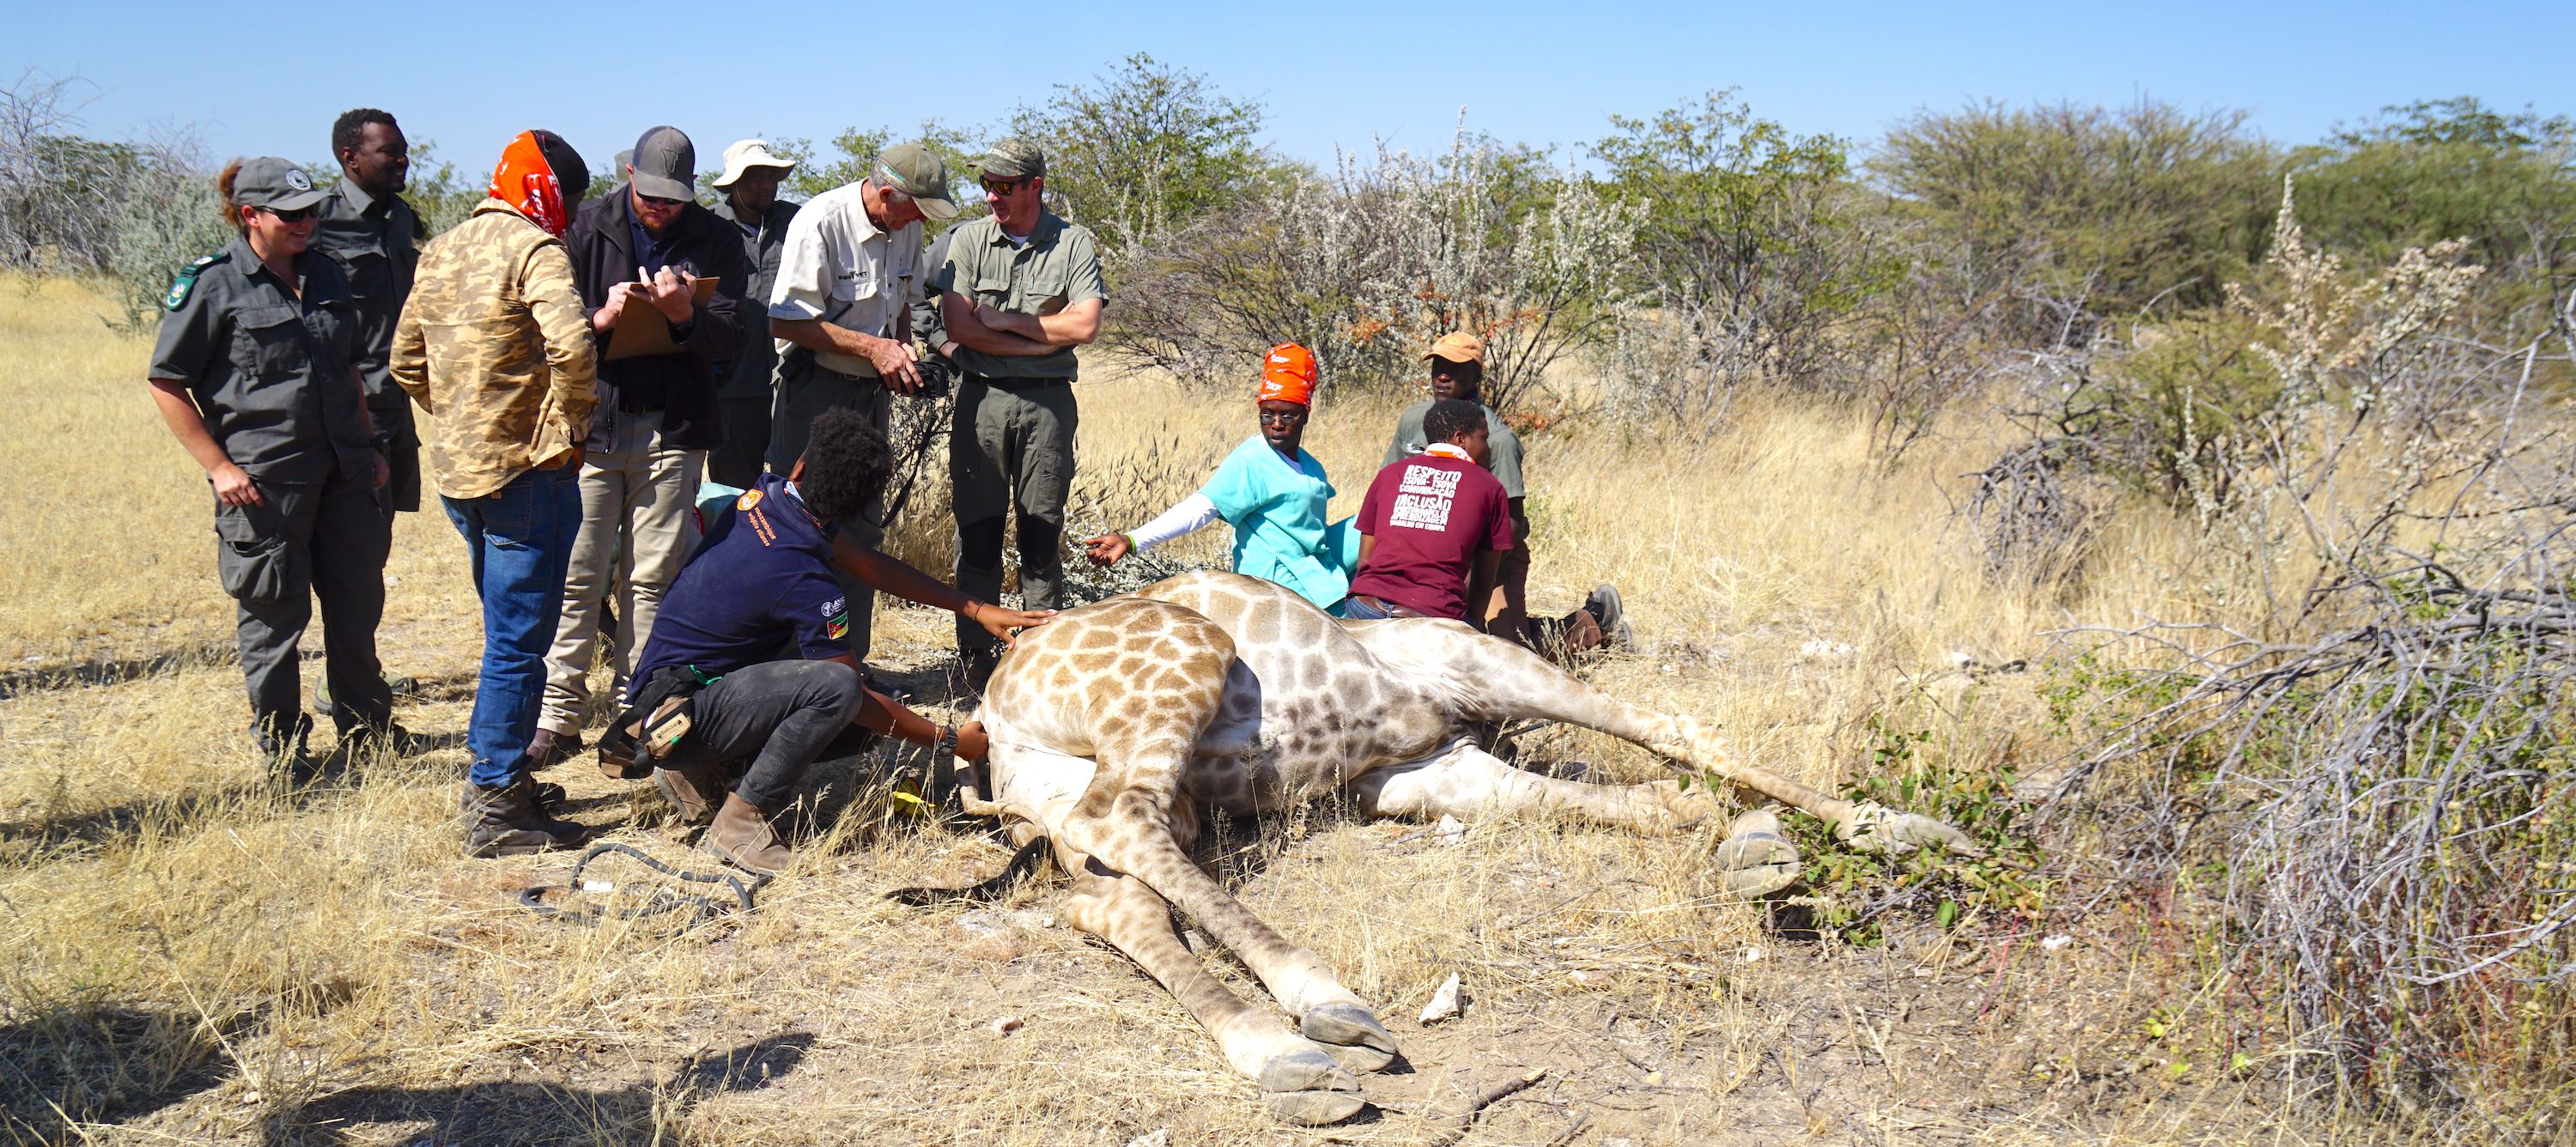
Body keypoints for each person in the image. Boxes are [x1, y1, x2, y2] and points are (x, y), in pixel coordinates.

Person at [624, 407, 1052, 874]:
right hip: (678, 715)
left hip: (661, 692)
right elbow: (851, 698)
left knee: (863, 690)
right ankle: (740, 818)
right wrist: (949, 740)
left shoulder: (768, 497)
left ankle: (703, 772)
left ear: (801, 468)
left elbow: (869, 565)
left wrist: (973, 607)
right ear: (856, 507)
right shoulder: (805, 581)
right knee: (842, 691)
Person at [148, 157, 399, 768]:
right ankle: (286, 755)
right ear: (249, 215)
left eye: (311, 210)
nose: (306, 222)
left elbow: (347, 369)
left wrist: (368, 448)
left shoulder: (329, 275)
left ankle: (368, 732)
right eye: (290, 214)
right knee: (273, 620)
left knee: (355, 609)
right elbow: (166, 382)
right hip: (266, 484)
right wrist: (219, 466)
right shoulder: (212, 284)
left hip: (345, 474)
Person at [392, 130, 599, 857]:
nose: (570, 215)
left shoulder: (440, 249)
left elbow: (404, 361)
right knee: (518, 646)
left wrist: (459, 418)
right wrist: (571, 424)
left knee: (506, 637)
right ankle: (495, 802)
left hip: (461, 477)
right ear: (547, 190)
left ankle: (506, 783)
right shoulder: (533, 251)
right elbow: (573, 345)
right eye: (569, 198)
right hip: (528, 476)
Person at [532, 126, 747, 767]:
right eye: (651, 195)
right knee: (578, 573)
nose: (660, 208)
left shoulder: (718, 238)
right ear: (629, 175)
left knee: (653, 577)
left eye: (673, 199)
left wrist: (684, 315)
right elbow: (551, 330)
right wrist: (601, 318)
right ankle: (558, 714)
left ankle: (637, 711)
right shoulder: (585, 228)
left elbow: (733, 333)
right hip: (594, 423)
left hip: (673, 428)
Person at [764, 142, 959, 666]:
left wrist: (902, 352)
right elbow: (784, 321)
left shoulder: (906, 226)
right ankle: (787, 669)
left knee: (860, 529)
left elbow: (904, 304)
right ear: (888, 192)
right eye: (915, 207)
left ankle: (851, 667)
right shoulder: (820, 221)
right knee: (800, 524)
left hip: (871, 394)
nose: (919, 219)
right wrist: (874, 348)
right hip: (816, 390)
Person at [931, 138, 1107, 689]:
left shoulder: (1073, 242)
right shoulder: (967, 240)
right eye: (986, 184)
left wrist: (1007, 323)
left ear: (1035, 186)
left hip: (1049, 403)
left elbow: (1084, 327)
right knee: (978, 531)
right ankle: (975, 655)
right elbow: (959, 327)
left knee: (1040, 529)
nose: (992, 196)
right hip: (981, 399)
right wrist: (1041, 338)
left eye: (1005, 186)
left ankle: (1041, 656)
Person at [1381, 332, 1627, 652]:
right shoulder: (1414, 420)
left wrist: (1469, 572)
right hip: (1425, 553)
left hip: (1491, 558)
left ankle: (1592, 620)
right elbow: (1389, 489)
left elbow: (1509, 526)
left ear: (1476, 376)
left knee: (1507, 653)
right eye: (1438, 366)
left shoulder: (1496, 440)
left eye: (1454, 368)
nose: (1442, 376)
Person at [1080, 343, 1356, 610]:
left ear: (1305, 415)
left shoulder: (1310, 464)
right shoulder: (1252, 460)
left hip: (1314, 562)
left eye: (1288, 415)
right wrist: (1132, 540)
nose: (1276, 424)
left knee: (1376, 522)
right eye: (1267, 415)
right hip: (1281, 576)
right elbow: (1201, 508)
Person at [309, 107, 425, 723]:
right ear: (350, 158)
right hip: (346, 418)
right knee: (349, 561)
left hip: (394, 409)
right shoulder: (319, 222)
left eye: (404, 150)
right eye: (390, 152)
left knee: (370, 556)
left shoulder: (400, 218)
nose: (403, 160)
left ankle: (349, 675)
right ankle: (350, 692)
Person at [1343, 400, 1516, 622]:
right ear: (1461, 439)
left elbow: (1364, 561)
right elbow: (1483, 583)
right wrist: (1472, 629)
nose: (1488, 449)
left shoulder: (1389, 474)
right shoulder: (1490, 487)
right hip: (1429, 616)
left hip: (1364, 607)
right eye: (1484, 438)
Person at [707, 139, 800, 489]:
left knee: (793, 494)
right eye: (756, 176)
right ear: (734, 182)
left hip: (791, 381)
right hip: (732, 389)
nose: (767, 184)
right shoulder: (710, 227)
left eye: (772, 176)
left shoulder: (796, 222)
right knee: (732, 495)